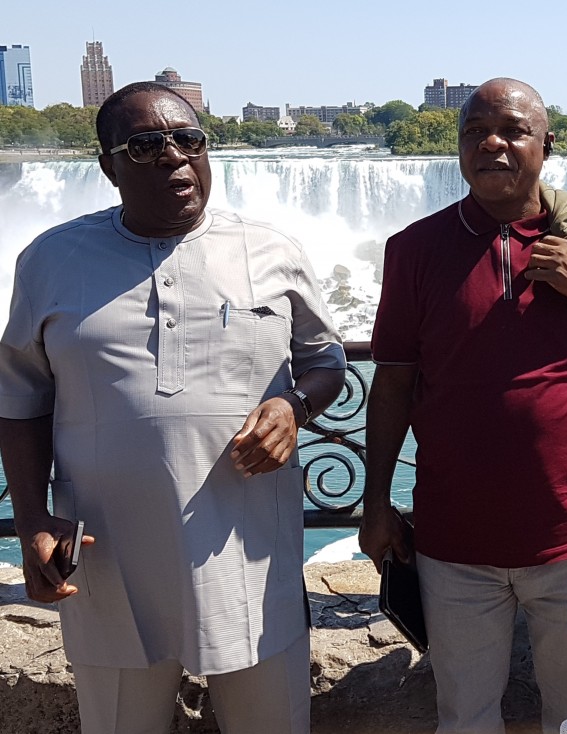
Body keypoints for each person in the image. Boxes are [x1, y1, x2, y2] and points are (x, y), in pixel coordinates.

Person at [0, 82, 347, 734]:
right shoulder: (48, 260)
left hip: (250, 554)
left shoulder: (273, 252)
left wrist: (296, 409)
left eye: (190, 141)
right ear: (109, 167)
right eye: (147, 145)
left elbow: (326, 363)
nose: (174, 158)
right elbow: (20, 398)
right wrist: (30, 519)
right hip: (105, 561)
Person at [359, 77, 567, 734]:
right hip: (453, 544)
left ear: (546, 144)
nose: (491, 144)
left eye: (511, 130)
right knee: (464, 718)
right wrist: (377, 502)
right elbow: (391, 383)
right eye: (474, 131)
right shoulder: (414, 250)